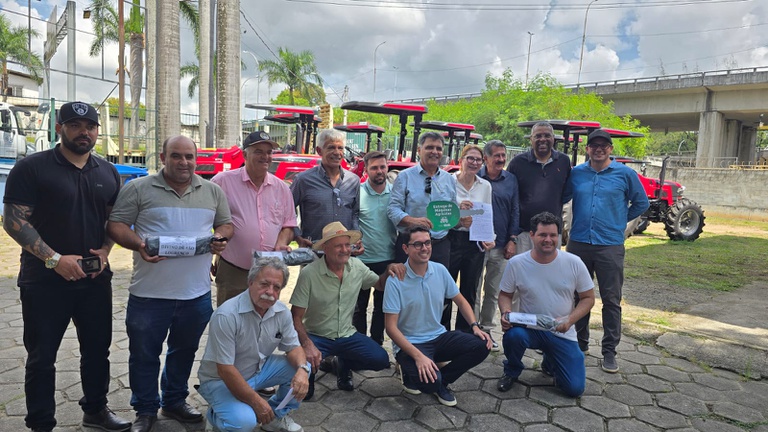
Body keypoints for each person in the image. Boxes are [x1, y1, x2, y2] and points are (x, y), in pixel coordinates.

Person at [3, 101, 131, 432]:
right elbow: (14, 220)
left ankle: (96, 411)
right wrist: (54, 259)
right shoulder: (31, 168)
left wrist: (104, 251)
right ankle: (41, 423)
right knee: (42, 358)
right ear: (60, 129)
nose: (83, 132)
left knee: (97, 352)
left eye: (90, 126)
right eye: (75, 125)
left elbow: (113, 221)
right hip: (44, 281)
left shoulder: (108, 171)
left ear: (98, 131)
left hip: (94, 279)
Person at [107, 135, 234, 432]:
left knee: (184, 351)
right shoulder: (138, 188)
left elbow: (226, 224)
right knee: (144, 355)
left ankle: (175, 400)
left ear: (196, 159)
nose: (184, 162)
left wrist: (221, 238)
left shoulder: (212, 191)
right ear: (163, 157)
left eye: (189, 156)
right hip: (149, 295)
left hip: (196, 294)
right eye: (176, 156)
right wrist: (139, 244)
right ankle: (145, 409)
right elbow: (116, 225)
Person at [566, 129, 650, 373]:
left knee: (611, 299)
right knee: (576, 296)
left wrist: (619, 220)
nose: (599, 149)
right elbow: (562, 196)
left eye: (604, 145)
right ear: (588, 149)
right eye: (594, 145)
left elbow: (641, 202)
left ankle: (609, 351)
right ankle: (578, 343)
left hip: (609, 245)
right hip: (579, 242)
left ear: (611, 149)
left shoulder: (625, 174)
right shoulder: (577, 173)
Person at [290, 222, 401, 399]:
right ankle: (310, 372)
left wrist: (389, 270)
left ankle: (342, 362)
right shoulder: (309, 274)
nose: (345, 250)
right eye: (338, 246)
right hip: (317, 336)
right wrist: (307, 344)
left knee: (380, 359)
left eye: (347, 245)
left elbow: (379, 284)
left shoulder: (356, 266)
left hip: (347, 334)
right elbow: (295, 317)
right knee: (305, 389)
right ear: (325, 248)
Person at [383, 225, 491, 407]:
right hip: (410, 343)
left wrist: (474, 326)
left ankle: (442, 381)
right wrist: (418, 357)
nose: (424, 248)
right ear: (405, 249)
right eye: (417, 244)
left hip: (438, 336)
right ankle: (413, 371)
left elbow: (462, 301)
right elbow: (391, 328)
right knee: (428, 384)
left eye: (427, 243)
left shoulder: (439, 270)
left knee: (482, 345)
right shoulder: (396, 279)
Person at [198, 257, 309, 432]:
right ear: (250, 282)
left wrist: (303, 370)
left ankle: (275, 416)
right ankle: (214, 417)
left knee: (302, 367)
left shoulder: (281, 312)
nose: (270, 292)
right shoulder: (227, 315)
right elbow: (225, 369)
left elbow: (294, 347)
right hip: (220, 380)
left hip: (257, 369)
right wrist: (257, 402)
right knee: (245, 423)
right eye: (264, 284)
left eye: (276, 287)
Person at [496, 212, 595, 397]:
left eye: (553, 235)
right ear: (532, 235)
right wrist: (506, 312)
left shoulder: (573, 262)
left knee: (574, 389)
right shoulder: (517, 263)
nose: (548, 240)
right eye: (542, 235)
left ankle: (551, 361)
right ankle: (512, 371)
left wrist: (570, 319)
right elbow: (505, 295)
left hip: (561, 330)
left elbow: (589, 298)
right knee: (513, 336)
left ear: (558, 236)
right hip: (529, 328)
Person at [211, 130, 297, 306]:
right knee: (229, 321)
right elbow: (206, 221)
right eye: (258, 151)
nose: (265, 156)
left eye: (269, 152)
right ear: (244, 154)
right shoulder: (222, 182)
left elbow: (288, 225)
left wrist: (282, 241)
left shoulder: (282, 188)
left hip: (268, 271)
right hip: (233, 270)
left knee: (263, 323)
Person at [443, 145, 495, 331]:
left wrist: (489, 237)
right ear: (461, 160)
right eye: (470, 158)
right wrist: (458, 211)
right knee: (446, 289)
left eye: (478, 160)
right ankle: (443, 334)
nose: (474, 162)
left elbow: (485, 213)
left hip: (474, 242)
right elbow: (440, 212)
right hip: (450, 238)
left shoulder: (485, 186)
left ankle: (464, 335)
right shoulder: (447, 181)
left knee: (470, 291)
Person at [388, 131, 457, 266]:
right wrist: (412, 221)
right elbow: (393, 209)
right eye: (429, 147)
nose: (434, 152)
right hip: (410, 246)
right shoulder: (404, 177)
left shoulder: (449, 179)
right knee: (407, 284)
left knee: (436, 286)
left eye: (438, 148)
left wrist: (464, 215)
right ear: (419, 150)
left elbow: (451, 212)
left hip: (439, 246)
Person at [291, 129, 362, 252]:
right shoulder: (303, 180)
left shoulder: (353, 181)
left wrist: (356, 238)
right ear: (319, 151)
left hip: (344, 252)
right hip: (314, 251)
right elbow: (287, 210)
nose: (337, 152)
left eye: (340, 148)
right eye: (331, 148)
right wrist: (298, 236)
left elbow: (354, 214)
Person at [476, 140, 520, 335]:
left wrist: (512, 239)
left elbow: (515, 211)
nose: (501, 159)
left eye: (503, 155)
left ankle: (486, 328)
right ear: (486, 158)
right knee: (474, 290)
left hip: (501, 245)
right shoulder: (474, 177)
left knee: (493, 292)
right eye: (497, 156)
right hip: (477, 245)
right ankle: (472, 329)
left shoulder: (511, 180)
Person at [507, 121, 572, 252]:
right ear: (531, 139)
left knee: (549, 270)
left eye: (547, 135)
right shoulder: (517, 163)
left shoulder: (564, 161)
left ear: (553, 138)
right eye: (538, 136)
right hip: (524, 232)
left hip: (552, 233)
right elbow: (510, 196)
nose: (543, 139)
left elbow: (566, 194)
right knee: (523, 270)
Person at [354, 151, 397, 345]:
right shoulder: (357, 192)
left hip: (388, 258)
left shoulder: (396, 193)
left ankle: (377, 344)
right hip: (361, 260)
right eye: (374, 168)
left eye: (382, 167)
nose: (379, 171)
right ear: (366, 169)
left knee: (382, 306)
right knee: (358, 306)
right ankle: (360, 345)